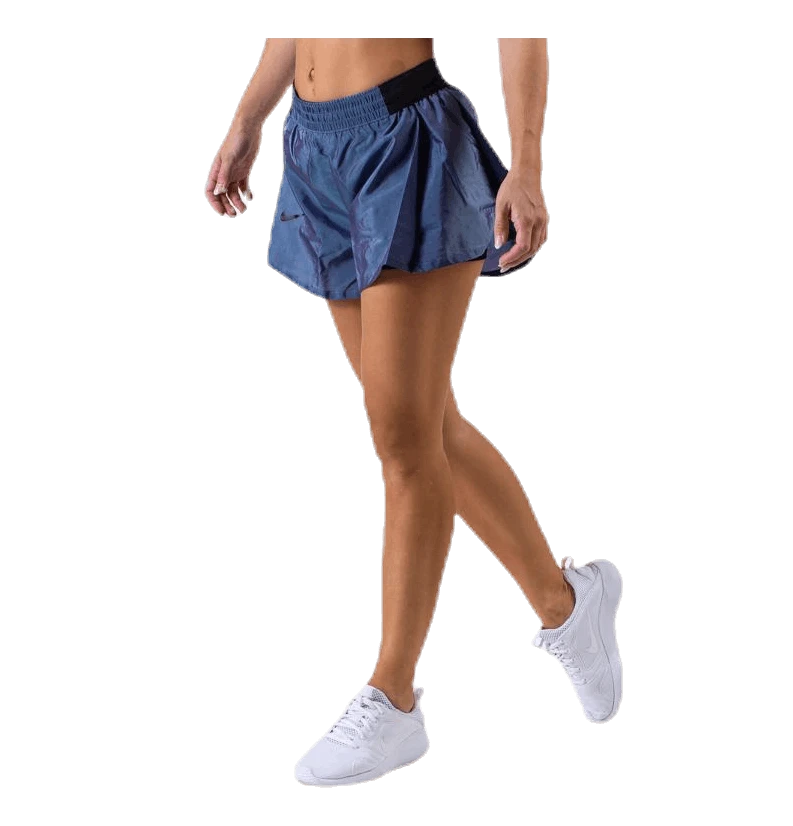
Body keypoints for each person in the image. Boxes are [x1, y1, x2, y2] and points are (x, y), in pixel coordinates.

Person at [205, 35, 622, 786]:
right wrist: (247, 119)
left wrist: (527, 167)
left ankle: (393, 696)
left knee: (404, 438)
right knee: (424, 429)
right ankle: (567, 605)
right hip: (316, 144)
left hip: (405, 140)